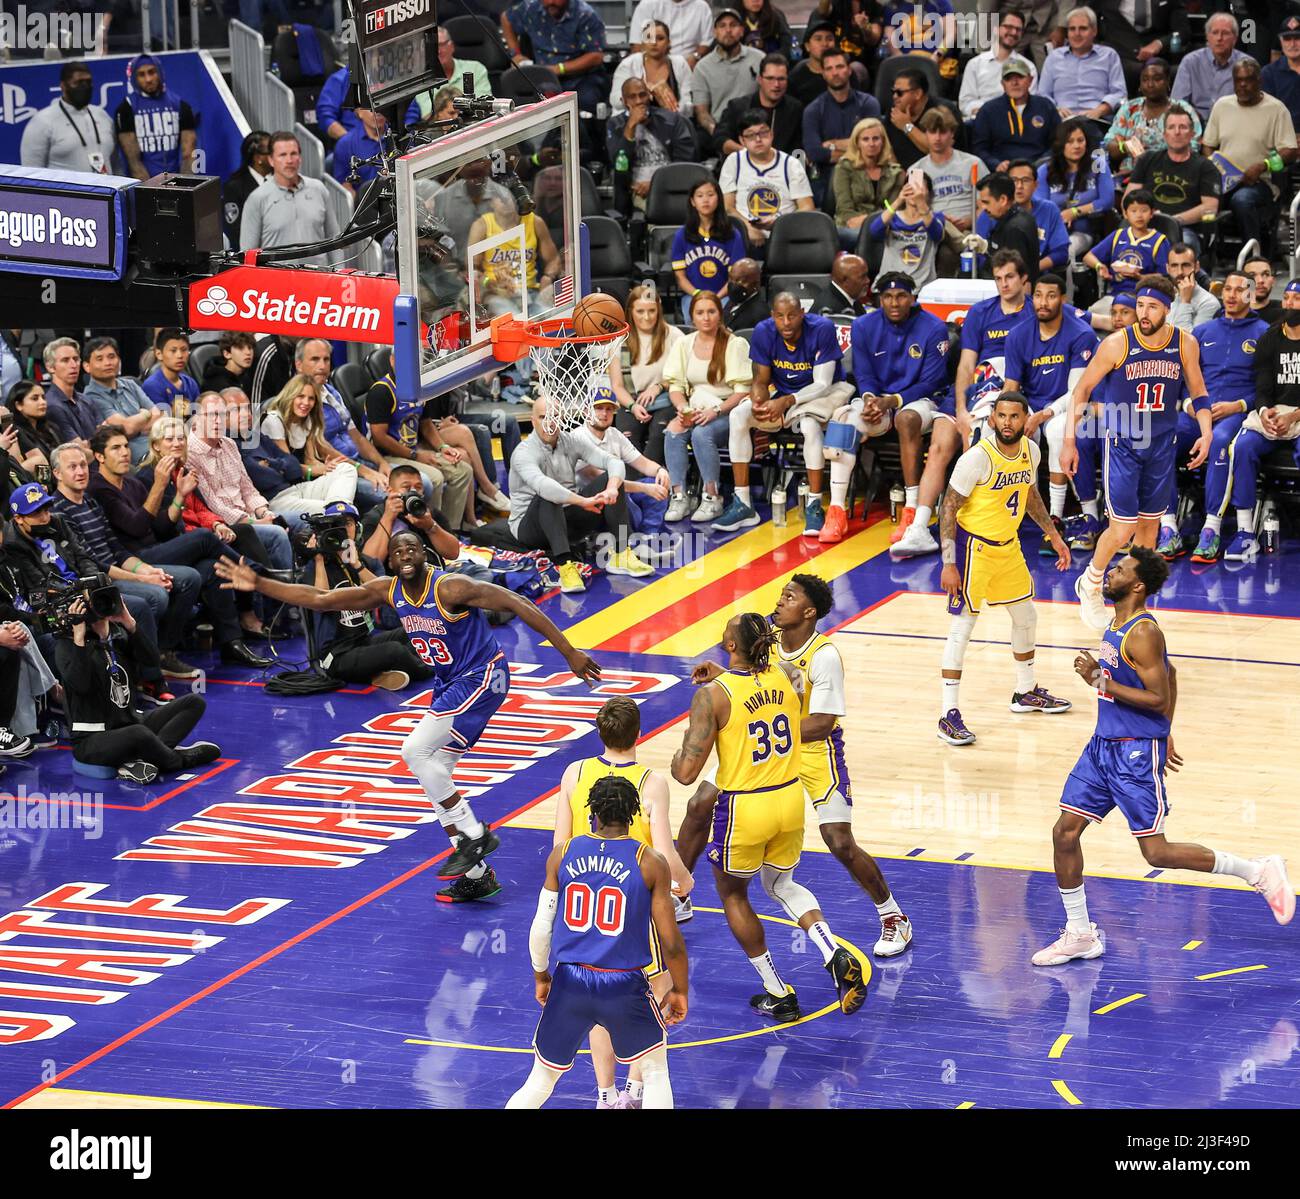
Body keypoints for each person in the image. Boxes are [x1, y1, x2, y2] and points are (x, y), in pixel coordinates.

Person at [217, 530, 602, 888]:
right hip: (450, 681)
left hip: (483, 676)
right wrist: (260, 583)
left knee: (413, 750)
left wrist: (568, 652)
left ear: (424, 554)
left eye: (411, 549)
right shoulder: (388, 590)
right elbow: (321, 600)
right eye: (397, 550)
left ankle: (476, 835)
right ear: (390, 559)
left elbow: (515, 601)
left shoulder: (451, 587)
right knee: (436, 775)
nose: (404, 555)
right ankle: (478, 873)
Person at [1033, 547, 1293, 968]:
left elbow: (1159, 694)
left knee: (1156, 853)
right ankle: (1080, 933)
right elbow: (1170, 675)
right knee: (1064, 832)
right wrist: (1166, 728)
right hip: (1102, 747)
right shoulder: (1117, 621)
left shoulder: (1143, 632)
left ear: (1137, 585)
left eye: (1119, 570)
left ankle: (1258, 871)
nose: (1109, 573)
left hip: (1134, 753)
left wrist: (1100, 679)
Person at [669, 612, 866, 1020]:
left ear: (731, 646)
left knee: (734, 895)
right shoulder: (788, 677)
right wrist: (726, 673)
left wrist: (679, 751)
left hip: (745, 807)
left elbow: (686, 774)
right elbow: (757, 690)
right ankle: (832, 950)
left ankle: (778, 991)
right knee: (781, 884)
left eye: (724, 637)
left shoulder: (712, 696)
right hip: (790, 801)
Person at [508, 775, 687, 1109]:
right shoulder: (649, 861)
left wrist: (541, 975)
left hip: (571, 978)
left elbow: (541, 927)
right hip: (623, 983)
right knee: (655, 1071)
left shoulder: (562, 854)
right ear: (634, 815)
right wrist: (680, 988)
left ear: (592, 813)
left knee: (540, 1081)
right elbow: (671, 941)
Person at [550, 698, 692, 1107]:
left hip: (581, 903)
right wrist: (685, 881)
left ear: (600, 733)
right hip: (631, 902)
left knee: (597, 998)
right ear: (639, 733)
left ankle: (604, 1094)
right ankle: (635, 1088)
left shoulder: (574, 773)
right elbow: (662, 853)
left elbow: (559, 845)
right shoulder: (651, 782)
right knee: (651, 991)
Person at [1063, 274, 1212, 631]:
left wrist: (1207, 434)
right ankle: (1092, 581)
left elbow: (1201, 394)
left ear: (1168, 309)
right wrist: (1069, 440)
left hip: (1162, 443)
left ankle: (1133, 606)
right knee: (1123, 528)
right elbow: (1081, 391)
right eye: (1140, 306)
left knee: (1148, 532)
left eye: (1152, 307)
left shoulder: (1185, 344)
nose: (1143, 313)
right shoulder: (1117, 344)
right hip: (1124, 442)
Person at [936, 391, 1072, 747]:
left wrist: (1054, 536)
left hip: (1007, 547)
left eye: (1015, 416)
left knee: (1027, 617)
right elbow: (948, 509)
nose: (1008, 423)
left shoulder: (1032, 451)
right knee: (962, 628)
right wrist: (949, 562)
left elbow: (1030, 495)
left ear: (1025, 419)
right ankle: (947, 715)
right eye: (1002, 416)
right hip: (973, 548)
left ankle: (1025, 692)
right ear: (992, 419)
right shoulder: (976, 459)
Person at [87, 427, 272, 671]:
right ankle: (258, 574)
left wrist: (180, 496)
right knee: (204, 539)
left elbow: (160, 527)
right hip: (134, 558)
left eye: (125, 446)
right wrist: (160, 486)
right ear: (99, 456)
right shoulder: (100, 488)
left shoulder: (131, 482)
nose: (124, 453)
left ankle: (232, 643)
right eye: (115, 448)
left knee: (214, 568)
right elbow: (135, 526)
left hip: (156, 547)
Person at [893, 249, 1033, 558]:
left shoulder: (1036, 312)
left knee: (986, 449)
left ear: (1024, 280)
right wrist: (959, 409)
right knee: (941, 444)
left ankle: (985, 524)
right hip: (977, 387)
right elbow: (966, 366)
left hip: (1012, 392)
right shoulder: (981, 313)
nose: (1004, 284)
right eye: (998, 278)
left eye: (1010, 277)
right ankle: (918, 526)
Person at [56, 589, 219, 785]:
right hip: (92, 739)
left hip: (130, 722)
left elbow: (151, 660)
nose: (99, 607)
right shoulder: (67, 646)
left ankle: (152, 756)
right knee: (140, 734)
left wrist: (129, 623)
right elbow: (81, 685)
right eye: (92, 604)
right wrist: (79, 637)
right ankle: (177, 760)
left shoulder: (116, 639)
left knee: (194, 702)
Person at [722, 295, 854, 536]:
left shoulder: (821, 329)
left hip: (824, 393)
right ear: (773, 316)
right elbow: (760, 380)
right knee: (738, 416)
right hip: (783, 394)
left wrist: (786, 401)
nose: (786, 322)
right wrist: (759, 401)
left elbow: (822, 383)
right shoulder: (764, 331)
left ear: (802, 313)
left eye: (792, 316)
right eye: (780, 316)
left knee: (809, 425)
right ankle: (743, 503)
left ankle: (814, 504)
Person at [1162, 272, 1267, 562]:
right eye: (1227, 289)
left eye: (1239, 290)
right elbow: (1182, 377)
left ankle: (1212, 528)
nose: (1231, 295)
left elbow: (1269, 388)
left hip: (1234, 414)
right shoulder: (1203, 332)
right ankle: (1168, 527)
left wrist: (1239, 405)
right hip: (1196, 412)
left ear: (1251, 294)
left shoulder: (1264, 332)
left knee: (1221, 442)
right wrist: (1186, 405)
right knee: (1163, 440)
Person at [1195, 280, 1300, 564]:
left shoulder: (1258, 331)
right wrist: (1265, 410)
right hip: (1275, 411)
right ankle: (1244, 532)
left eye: (1296, 299)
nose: (1289, 303)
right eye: (1287, 298)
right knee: (1241, 446)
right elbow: (1263, 386)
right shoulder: (1270, 337)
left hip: (1299, 414)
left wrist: (1294, 415)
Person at [843, 273, 951, 546]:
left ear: (913, 298)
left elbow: (931, 382)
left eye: (901, 296)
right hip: (878, 400)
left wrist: (892, 401)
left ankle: (912, 508)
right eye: (888, 297)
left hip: (920, 399)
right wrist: (869, 399)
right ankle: (834, 507)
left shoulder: (934, 327)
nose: (894, 302)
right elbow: (863, 373)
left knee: (906, 419)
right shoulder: (863, 325)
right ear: (879, 299)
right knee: (842, 420)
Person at [508, 397, 654, 593]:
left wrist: (611, 487)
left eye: (555, 416)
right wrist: (583, 501)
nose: (550, 422)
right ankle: (565, 566)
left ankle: (621, 554)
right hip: (530, 527)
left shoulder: (570, 440)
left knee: (611, 479)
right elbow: (544, 487)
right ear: (532, 420)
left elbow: (614, 462)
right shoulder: (523, 452)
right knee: (548, 493)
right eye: (543, 417)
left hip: (566, 518)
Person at [1002, 273, 1101, 539]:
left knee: (1057, 429)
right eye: (1038, 295)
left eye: (1051, 296)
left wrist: (1044, 415)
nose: (1043, 302)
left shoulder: (1081, 334)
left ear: (1063, 299)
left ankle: (1054, 518)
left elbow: (1077, 392)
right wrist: (1003, 415)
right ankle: (1008, 509)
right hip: (1032, 403)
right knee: (1002, 431)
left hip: (1072, 406)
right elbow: (1011, 386)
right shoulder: (1018, 334)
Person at [662, 292, 751, 523]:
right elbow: (675, 386)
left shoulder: (735, 344)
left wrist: (716, 411)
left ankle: (713, 498)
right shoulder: (684, 344)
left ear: (719, 314)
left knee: (702, 434)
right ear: (692, 316)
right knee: (674, 432)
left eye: (711, 312)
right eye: (700, 312)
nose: (706, 317)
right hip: (696, 408)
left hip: (728, 410)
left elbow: (742, 391)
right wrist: (683, 408)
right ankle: (680, 496)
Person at [185, 391, 294, 580]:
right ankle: (287, 595)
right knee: (277, 533)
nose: (218, 421)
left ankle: (303, 585)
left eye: (222, 415)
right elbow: (213, 504)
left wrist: (263, 512)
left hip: (251, 516)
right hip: (228, 525)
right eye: (211, 415)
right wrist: (255, 522)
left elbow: (247, 488)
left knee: (300, 521)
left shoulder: (229, 444)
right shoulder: (189, 453)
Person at [1201, 59, 1299, 258]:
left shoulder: (1276, 109)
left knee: (1242, 200)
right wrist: (1213, 166)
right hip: (1223, 179)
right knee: (1201, 197)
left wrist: (1263, 165)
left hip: (1260, 182)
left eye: (1248, 80)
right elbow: (1208, 144)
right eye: (1238, 80)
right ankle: (1203, 258)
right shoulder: (1222, 106)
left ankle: (1254, 259)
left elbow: (1290, 151)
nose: (1242, 85)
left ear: (1259, 81)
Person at [293, 339, 394, 516]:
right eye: (315, 359)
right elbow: (323, 449)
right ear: (299, 365)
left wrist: (381, 463)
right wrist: (366, 472)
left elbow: (357, 437)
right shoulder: (300, 401)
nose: (322, 366)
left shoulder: (331, 391)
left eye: (326, 359)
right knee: (394, 495)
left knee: (417, 483)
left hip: (359, 463)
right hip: (336, 473)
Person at [365, 371, 474, 532]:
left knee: (463, 471)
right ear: (393, 361)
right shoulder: (381, 391)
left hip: (414, 450)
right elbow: (379, 438)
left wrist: (443, 447)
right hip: (387, 456)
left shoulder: (420, 386)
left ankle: (451, 530)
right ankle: (428, 531)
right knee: (435, 478)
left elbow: (425, 423)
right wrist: (415, 455)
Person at [259, 375, 360, 522]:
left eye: (311, 398)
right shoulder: (273, 421)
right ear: (290, 396)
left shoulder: (306, 419)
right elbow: (290, 469)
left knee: (346, 469)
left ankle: (338, 506)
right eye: (300, 396)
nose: (306, 403)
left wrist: (326, 467)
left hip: (301, 486)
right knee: (335, 511)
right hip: (280, 493)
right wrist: (319, 470)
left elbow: (310, 459)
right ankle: (339, 511)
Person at [1125, 108, 1219, 258]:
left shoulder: (1206, 167)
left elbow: (1210, 208)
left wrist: (1171, 222)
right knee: (1121, 244)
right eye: (1171, 127)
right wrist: (1142, 218)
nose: (1177, 132)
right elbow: (1128, 198)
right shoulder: (1147, 160)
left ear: (1192, 134)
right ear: (1164, 134)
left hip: (1186, 230)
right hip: (1145, 225)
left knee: (1179, 252)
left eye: (1183, 127)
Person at [239, 132, 341, 268]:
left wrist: (339, 274)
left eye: (293, 154)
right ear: (271, 160)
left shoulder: (318, 189)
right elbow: (248, 254)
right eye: (282, 155)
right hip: (277, 283)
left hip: (318, 280)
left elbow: (334, 238)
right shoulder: (257, 199)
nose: (289, 160)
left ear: (300, 158)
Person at [608, 285, 683, 464]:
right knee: (627, 443)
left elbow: (682, 378)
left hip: (667, 400)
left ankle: (650, 486)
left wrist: (658, 387)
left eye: (651, 311)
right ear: (631, 311)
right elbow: (617, 386)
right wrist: (633, 406)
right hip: (632, 401)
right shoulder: (619, 341)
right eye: (640, 311)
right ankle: (639, 488)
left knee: (658, 436)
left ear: (659, 309)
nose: (646, 317)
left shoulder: (675, 336)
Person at [720, 108, 815, 249]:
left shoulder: (790, 164)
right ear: (742, 140)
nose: (758, 139)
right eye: (751, 135)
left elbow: (807, 207)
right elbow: (727, 207)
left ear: (771, 134)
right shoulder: (734, 162)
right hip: (744, 237)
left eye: (763, 133)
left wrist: (779, 222)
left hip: (784, 236)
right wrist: (748, 228)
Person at [501, 0, 611, 118]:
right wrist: (516, 54)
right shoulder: (530, 8)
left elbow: (596, 56)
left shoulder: (586, 14)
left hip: (579, 79)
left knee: (584, 109)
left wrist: (559, 69)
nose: (551, 2)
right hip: (542, 78)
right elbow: (506, 18)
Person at [800, 48, 880, 208]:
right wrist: (859, 147)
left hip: (865, 174)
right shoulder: (813, 110)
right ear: (823, 73)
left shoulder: (868, 104)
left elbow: (875, 146)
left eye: (840, 67)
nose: (835, 73)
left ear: (849, 70)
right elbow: (815, 152)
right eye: (829, 68)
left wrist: (831, 144)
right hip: (827, 179)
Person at [583, 390, 672, 533]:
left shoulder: (614, 435)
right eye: (598, 408)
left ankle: (649, 536)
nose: (604, 414)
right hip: (591, 502)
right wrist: (645, 489)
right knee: (629, 504)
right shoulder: (578, 439)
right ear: (585, 411)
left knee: (656, 483)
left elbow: (643, 463)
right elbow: (603, 480)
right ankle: (632, 541)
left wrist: (660, 471)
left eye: (609, 409)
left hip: (617, 493)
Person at [607, 77, 697, 216]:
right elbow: (619, 166)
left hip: (671, 187)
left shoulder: (672, 120)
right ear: (623, 101)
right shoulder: (615, 125)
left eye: (642, 95)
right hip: (635, 192)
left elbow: (684, 162)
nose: (638, 101)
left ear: (649, 95)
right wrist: (631, 126)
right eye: (632, 97)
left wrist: (655, 184)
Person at [1104, 59, 1201, 182]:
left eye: (1157, 79)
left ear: (1167, 81)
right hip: (1129, 177)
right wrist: (1126, 146)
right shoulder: (1129, 109)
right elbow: (1109, 146)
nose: (1150, 84)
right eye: (1145, 79)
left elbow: (1193, 149)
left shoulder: (1182, 109)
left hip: (1171, 176)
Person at [1036, 117, 1113, 264]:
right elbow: (1041, 207)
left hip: (1085, 231)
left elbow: (1107, 201)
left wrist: (1075, 213)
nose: (1076, 146)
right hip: (1051, 231)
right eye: (1070, 141)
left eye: (1080, 140)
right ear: (1060, 144)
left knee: (1066, 250)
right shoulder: (1045, 170)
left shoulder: (1097, 164)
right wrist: (1059, 219)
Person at [1036, 6, 1126, 130]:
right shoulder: (1053, 58)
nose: (1077, 34)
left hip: (1097, 121)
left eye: (1083, 28)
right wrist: (1056, 109)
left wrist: (1099, 110)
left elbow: (1120, 93)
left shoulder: (1109, 56)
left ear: (1094, 31)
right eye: (1072, 29)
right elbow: (1042, 95)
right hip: (1061, 123)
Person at [20, 61, 116, 174]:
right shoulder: (42, 121)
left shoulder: (102, 115)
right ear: (63, 86)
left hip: (106, 189)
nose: (85, 87)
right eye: (78, 82)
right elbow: (31, 172)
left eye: (88, 82)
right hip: (66, 191)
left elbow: (116, 162)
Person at [671, 178, 747, 319]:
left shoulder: (732, 234)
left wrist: (716, 297)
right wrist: (698, 295)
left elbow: (735, 277)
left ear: (719, 198)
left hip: (724, 295)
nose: (705, 200)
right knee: (695, 320)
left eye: (710, 195)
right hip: (692, 295)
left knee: (722, 321)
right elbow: (680, 277)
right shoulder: (682, 235)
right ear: (693, 202)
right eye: (700, 196)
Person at [692, 8, 765, 154]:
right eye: (722, 26)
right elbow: (702, 112)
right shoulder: (702, 67)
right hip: (719, 129)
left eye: (733, 25)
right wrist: (720, 135)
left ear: (742, 31)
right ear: (715, 32)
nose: (728, 30)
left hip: (756, 129)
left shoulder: (760, 59)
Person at [114, 54, 196, 180]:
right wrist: (150, 192)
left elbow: (188, 154)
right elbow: (134, 162)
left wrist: (184, 188)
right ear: (135, 78)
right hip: (143, 186)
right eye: (142, 74)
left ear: (160, 72)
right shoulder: (126, 109)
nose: (148, 79)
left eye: (152, 72)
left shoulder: (180, 106)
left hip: (177, 183)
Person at [81, 336, 161, 465]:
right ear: (86, 366)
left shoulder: (130, 384)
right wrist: (145, 414)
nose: (108, 363)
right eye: (99, 359)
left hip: (157, 445)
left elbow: (159, 416)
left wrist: (135, 427)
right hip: (131, 455)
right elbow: (126, 429)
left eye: (112, 357)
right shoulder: (91, 396)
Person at [971, 59, 1060, 173]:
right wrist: (996, 164)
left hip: (1040, 170)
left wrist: (1041, 164)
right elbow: (979, 148)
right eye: (1008, 79)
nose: (1014, 83)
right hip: (1002, 173)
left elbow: (1057, 142)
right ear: (1002, 84)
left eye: (1020, 77)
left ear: (1030, 80)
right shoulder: (988, 110)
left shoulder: (1046, 106)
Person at [866, 169, 949, 289]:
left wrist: (921, 203)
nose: (914, 191)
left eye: (920, 188)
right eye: (910, 187)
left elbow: (937, 234)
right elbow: (874, 231)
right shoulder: (892, 217)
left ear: (929, 193)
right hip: (890, 285)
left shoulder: (934, 218)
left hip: (923, 287)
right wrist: (898, 200)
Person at [832, 116, 903, 252]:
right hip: (850, 225)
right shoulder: (844, 168)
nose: (871, 144)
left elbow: (894, 208)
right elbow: (844, 210)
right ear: (857, 143)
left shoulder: (895, 173)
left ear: (883, 142)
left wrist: (871, 221)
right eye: (865, 139)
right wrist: (877, 219)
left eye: (876, 139)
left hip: (885, 225)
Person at [1082, 189, 1170, 298]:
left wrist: (1140, 277)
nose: (1139, 215)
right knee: (1091, 313)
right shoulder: (1118, 235)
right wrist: (1100, 267)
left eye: (1144, 210)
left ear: (1152, 213)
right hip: (1115, 295)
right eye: (1133, 211)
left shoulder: (1159, 240)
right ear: (1125, 213)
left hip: (1145, 296)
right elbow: (1088, 257)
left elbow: (1164, 276)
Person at [716, 53, 805, 157]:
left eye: (781, 79)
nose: (776, 85)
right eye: (770, 78)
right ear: (760, 79)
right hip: (745, 167)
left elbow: (800, 147)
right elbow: (720, 139)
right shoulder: (737, 107)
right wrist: (748, 153)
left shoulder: (796, 109)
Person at [916, 106, 986, 236]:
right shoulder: (916, 170)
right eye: (932, 132)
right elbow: (913, 211)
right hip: (932, 231)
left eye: (942, 132)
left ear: (952, 133)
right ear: (925, 133)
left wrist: (969, 220)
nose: (937, 138)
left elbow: (987, 203)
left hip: (969, 231)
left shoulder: (973, 164)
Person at [1170, 12, 1250, 123]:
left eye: (1225, 33)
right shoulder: (1190, 62)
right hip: (1195, 124)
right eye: (1215, 33)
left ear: (1235, 39)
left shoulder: (1247, 64)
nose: (1219, 38)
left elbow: (1253, 105)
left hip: (1234, 124)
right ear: (1207, 37)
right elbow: (1177, 103)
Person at [959, 10, 1037, 120]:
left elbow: (1031, 103)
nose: (1013, 32)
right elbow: (965, 102)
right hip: (981, 119)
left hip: (1016, 121)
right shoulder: (975, 64)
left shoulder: (1028, 67)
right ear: (996, 29)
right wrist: (987, 111)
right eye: (1008, 27)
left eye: (1018, 29)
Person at [611, 19, 696, 113]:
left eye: (660, 38)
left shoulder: (680, 64)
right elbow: (615, 100)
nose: (654, 43)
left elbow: (689, 102)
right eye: (649, 38)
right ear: (642, 42)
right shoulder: (628, 64)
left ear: (669, 42)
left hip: (672, 121)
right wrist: (646, 92)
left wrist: (674, 110)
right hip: (634, 121)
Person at [971, 172, 1040, 285]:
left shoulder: (1015, 230)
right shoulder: (1013, 216)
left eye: (986, 202)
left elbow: (1018, 278)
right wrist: (986, 247)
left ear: (1003, 199)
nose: (983, 208)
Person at [42, 338, 98, 450]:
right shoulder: (52, 405)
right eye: (65, 360)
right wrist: (98, 443)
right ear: (50, 367)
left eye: (76, 359)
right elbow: (79, 451)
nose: (73, 365)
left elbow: (107, 436)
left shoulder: (86, 400)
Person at [629, 0, 717, 66]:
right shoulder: (648, 4)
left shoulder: (701, 7)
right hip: (653, 65)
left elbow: (706, 42)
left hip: (691, 66)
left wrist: (696, 56)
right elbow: (637, 44)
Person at [222, 131, 272, 248]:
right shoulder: (234, 187)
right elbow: (234, 231)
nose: (276, 155)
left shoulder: (283, 182)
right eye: (271, 152)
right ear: (258, 158)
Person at [882, 67, 938, 169]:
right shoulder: (893, 111)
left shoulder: (940, 112)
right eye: (893, 92)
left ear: (917, 94)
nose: (895, 96)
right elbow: (887, 148)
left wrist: (906, 126)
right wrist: (897, 172)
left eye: (899, 93)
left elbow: (936, 149)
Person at [5, 382, 58, 481]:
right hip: (39, 488)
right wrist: (44, 485)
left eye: (43, 397)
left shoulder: (51, 428)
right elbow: (40, 462)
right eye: (35, 398)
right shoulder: (15, 432)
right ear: (19, 405)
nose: (42, 402)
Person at [140, 328, 198, 417]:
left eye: (184, 350)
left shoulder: (190, 383)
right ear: (159, 354)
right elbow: (161, 423)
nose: (180, 355)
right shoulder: (152, 386)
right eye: (173, 351)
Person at [1166, 243, 1220, 332]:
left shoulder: (1209, 303)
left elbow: (1191, 340)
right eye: (1174, 265)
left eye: (1186, 265)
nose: (1180, 272)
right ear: (1167, 268)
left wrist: (1185, 302)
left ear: (1197, 267)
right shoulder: (1162, 297)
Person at [331, 109, 387, 195]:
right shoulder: (345, 144)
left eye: (380, 107)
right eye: (370, 109)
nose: (377, 112)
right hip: (365, 203)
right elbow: (344, 186)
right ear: (359, 112)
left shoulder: (399, 136)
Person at [788, 18, 839, 106]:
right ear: (807, 46)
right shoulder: (796, 77)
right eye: (818, 39)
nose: (825, 44)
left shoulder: (844, 72)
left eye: (829, 39)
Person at [1262, 15, 1300, 131]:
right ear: (1280, 41)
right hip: (1281, 139)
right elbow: (1267, 115)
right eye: (1287, 39)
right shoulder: (1269, 73)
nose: (1292, 44)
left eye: (1298, 38)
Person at [807, 251, 871, 317]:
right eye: (862, 277)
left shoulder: (849, 297)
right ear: (845, 281)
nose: (868, 281)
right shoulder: (832, 314)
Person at [723, 257, 770, 330]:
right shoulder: (736, 299)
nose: (734, 285)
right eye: (731, 279)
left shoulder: (760, 315)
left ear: (755, 285)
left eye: (740, 281)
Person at [1244, 257, 1284, 327]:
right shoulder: (1232, 312)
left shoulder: (1285, 311)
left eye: (1266, 274)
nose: (1260, 281)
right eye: (1252, 275)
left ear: (1273, 281)